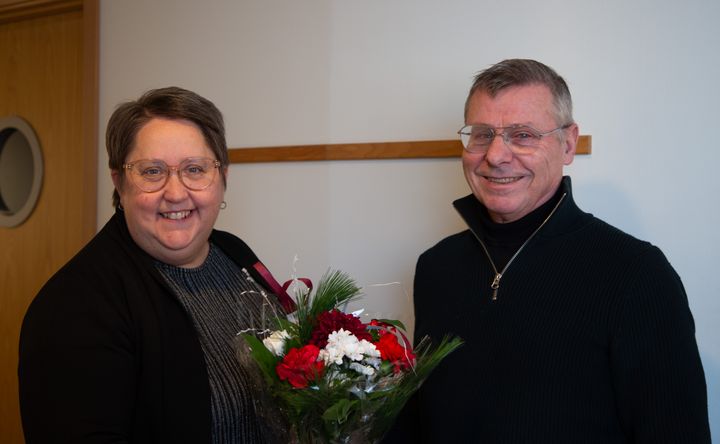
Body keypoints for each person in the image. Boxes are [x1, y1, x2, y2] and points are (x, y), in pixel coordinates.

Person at [385, 59, 710, 443]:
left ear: (568, 144)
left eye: (522, 135)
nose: (495, 155)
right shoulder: (436, 266)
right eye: (482, 134)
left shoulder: (636, 274)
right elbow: (417, 422)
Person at [19, 87, 295, 444]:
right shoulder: (74, 305)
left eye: (195, 169)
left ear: (223, 177)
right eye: (152, 171)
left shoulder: (235, 254)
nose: (176, 193)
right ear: (119, 182)